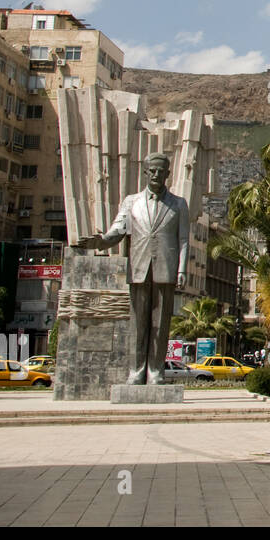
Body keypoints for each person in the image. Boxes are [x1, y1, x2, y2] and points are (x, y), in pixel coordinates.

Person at [75, 152, 190, 386]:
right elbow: (117, 231)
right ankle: (136, 371)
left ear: (168, 174)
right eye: (152, 170)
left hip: (166, 269)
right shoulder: (131, 202)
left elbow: (184, 239)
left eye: (161, 170)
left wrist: (182, 269)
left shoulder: (178, 204)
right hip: (138, 268)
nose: (157, 174)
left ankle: (156, 371)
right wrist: (99, 241)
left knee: (160, 324)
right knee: (138, 324)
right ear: (145, 172)